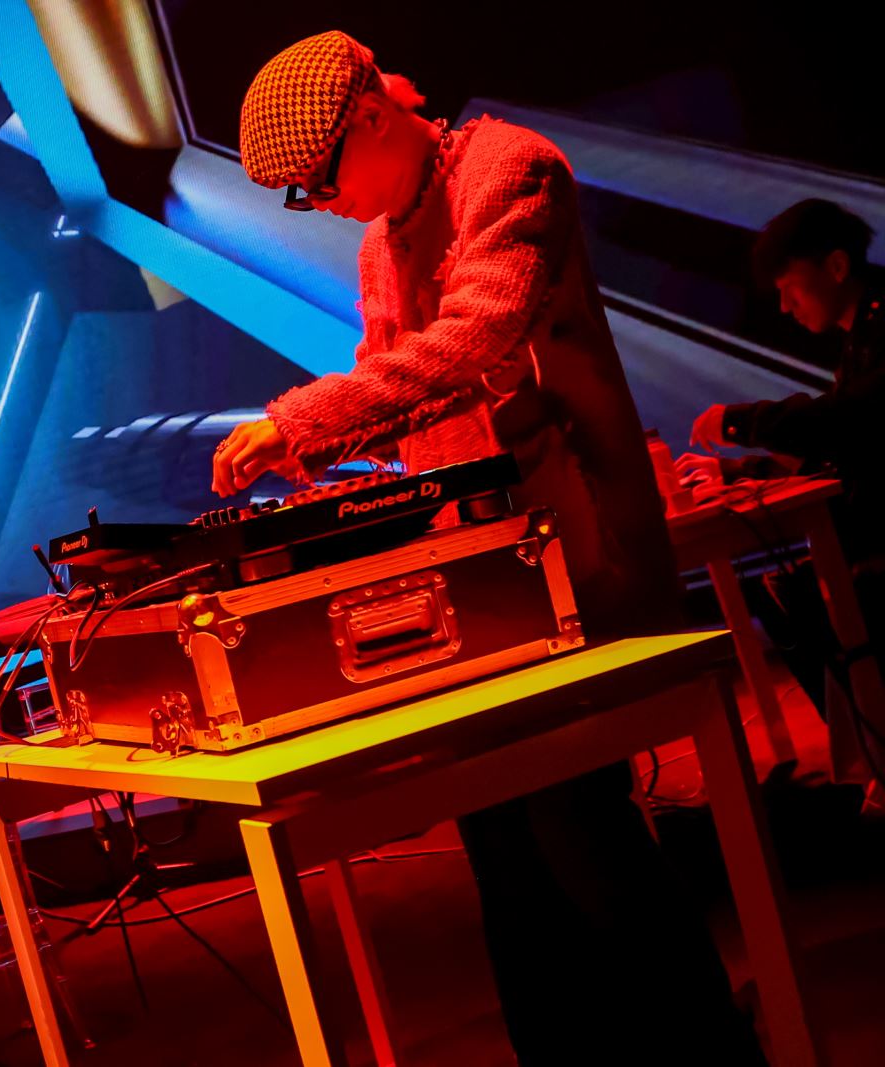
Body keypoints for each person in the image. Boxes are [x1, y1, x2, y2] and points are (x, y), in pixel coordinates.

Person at [221, 31, 764, 1064]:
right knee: (503, 851)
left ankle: (708, 1048)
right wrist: (314, 448)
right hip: (476, 578)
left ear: (372, 116)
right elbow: (403, 390)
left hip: (573, 545)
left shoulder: (513, 167)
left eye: (317, 181)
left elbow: (479, 337)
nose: (314, 205)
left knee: (580, 828)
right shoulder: (383, 239)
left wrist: (302, 418)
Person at [676, 200, 883, 755]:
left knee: (795, 594)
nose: (786, 307)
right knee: (782, 590)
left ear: (836, 267)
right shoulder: (862, 338)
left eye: (791, 288)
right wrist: (734, 471)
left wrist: (740, 422)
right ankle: (866, 752)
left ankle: (870, 750)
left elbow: (848, 420)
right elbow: (843, 447)